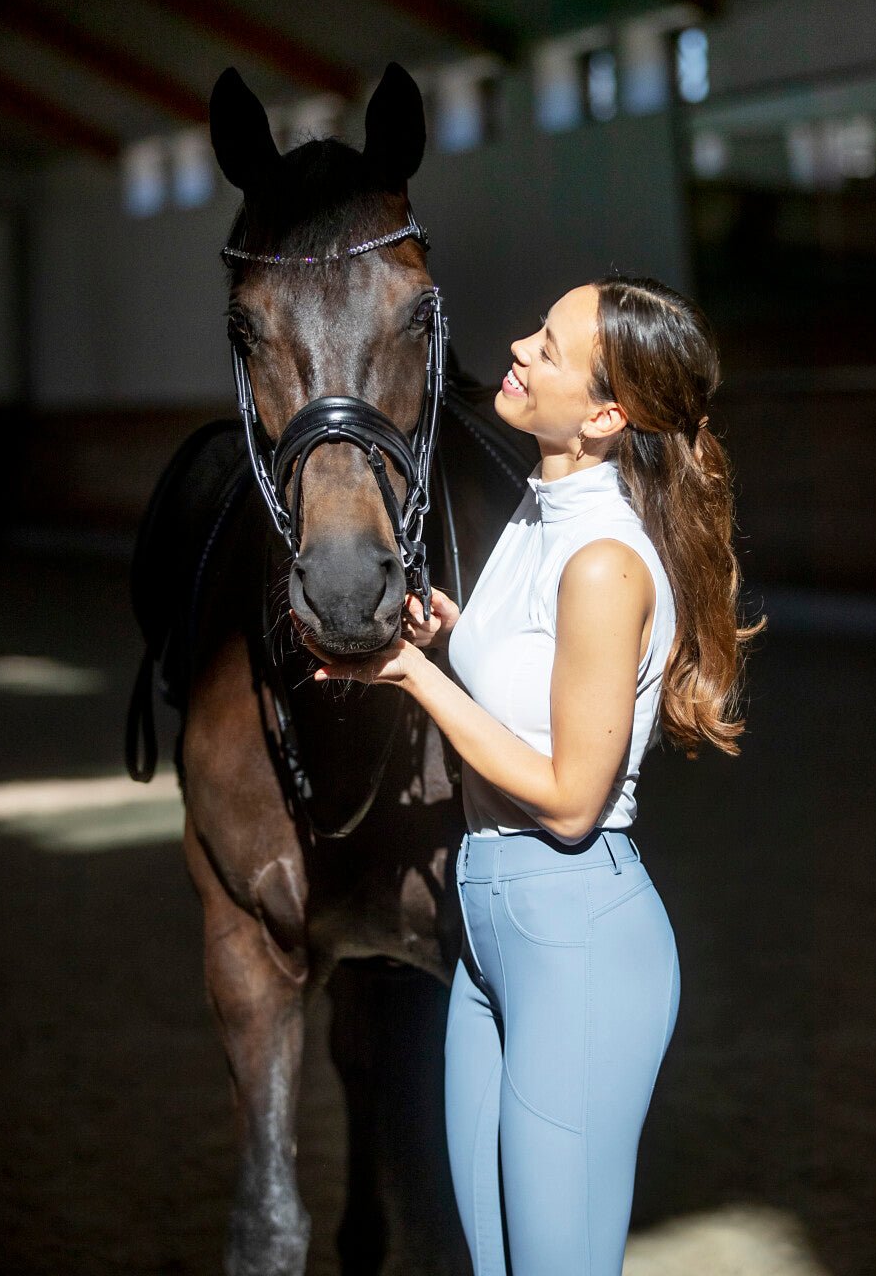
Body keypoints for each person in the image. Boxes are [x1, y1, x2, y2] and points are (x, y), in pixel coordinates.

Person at [314, 274, 766, 1275]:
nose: (518, 347)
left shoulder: (603, 561)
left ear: (604, 416)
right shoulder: (538, 508)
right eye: (535, 331)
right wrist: (451, 634)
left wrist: (412, 676)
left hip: (574, 940)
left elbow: (568, 802)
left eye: (549, 348)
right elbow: (529, 669)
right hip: (488, 934)